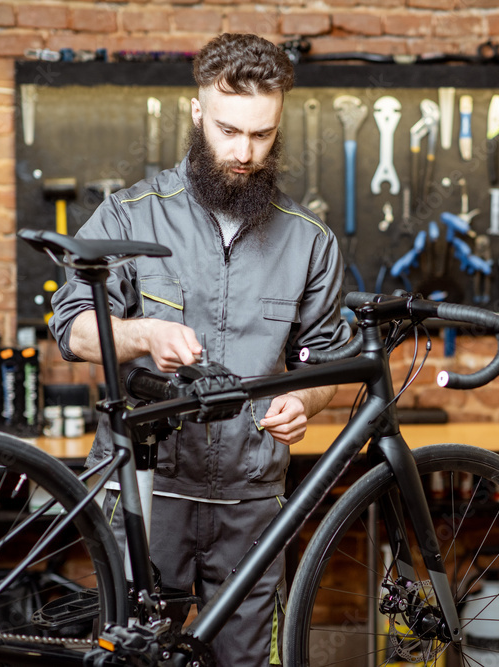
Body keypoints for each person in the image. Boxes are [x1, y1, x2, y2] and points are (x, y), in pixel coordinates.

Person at [49, 32, 350, 666]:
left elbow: (325, 363)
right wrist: (144, 334)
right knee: (138, 657)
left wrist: (308, 399)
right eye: (228, 130)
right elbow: (72, 328)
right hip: (149, 490)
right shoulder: (130, 216)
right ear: (196, 113)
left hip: (251, 501)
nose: (244, 152)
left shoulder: (309, 241)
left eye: (261, 135)